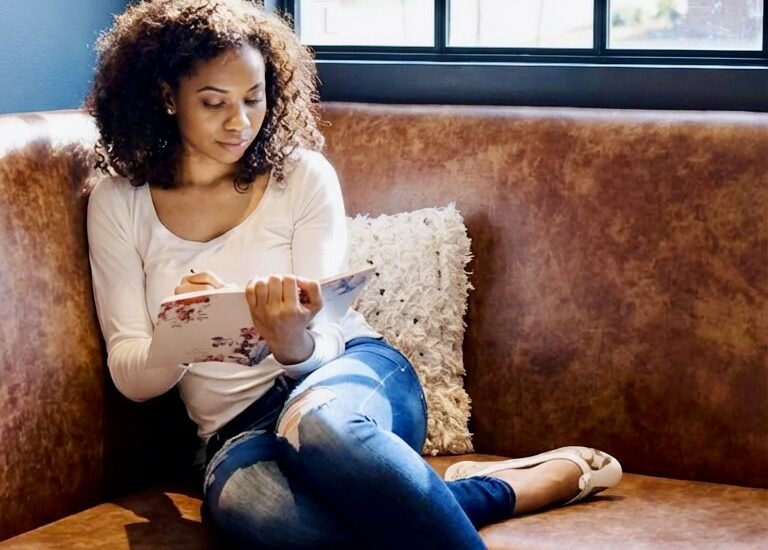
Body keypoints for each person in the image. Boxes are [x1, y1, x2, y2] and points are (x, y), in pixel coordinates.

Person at [85, 1, 622, 548]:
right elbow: (131, 375)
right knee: (260, 512)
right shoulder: (118, 201)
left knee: (322, 429)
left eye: (253, 98)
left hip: (344, 379)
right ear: (167, 98)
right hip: (236, 430)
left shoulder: (301, 176)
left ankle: (418, 490)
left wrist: (293, 341)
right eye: (213, 102)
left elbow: (329, 335)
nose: (240, 122)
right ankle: (487, 492)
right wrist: (184, 334)